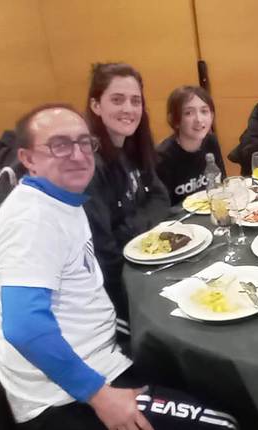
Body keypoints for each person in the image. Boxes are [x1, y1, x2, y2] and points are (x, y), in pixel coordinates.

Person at [0, 104, 236, 430]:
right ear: (28, 159)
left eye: (84, 143)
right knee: (225, 426)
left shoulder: (61, 201)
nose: (78, 155)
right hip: (62, 398)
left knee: (209, 374)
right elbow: (24, 327)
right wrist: (101, 397)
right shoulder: (32, 220)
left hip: (98, 355)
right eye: (59, 145)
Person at [83, 63, 170, 333]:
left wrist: (128, 227)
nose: (128, 109)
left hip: (143, 260)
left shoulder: (133, 145)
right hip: (117, 289)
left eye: (135, 101)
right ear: (96, 105)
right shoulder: (89, 165)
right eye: (117, 100)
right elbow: (104, 250)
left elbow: (160, 198)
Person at [156, 85, 225, 206]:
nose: (199, 119)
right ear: (175, 120)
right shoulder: (162, 157)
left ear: (212, 116)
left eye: (204, 111)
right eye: (188, 113)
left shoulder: (211, 142)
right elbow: (162, 207)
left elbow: (221, 184)